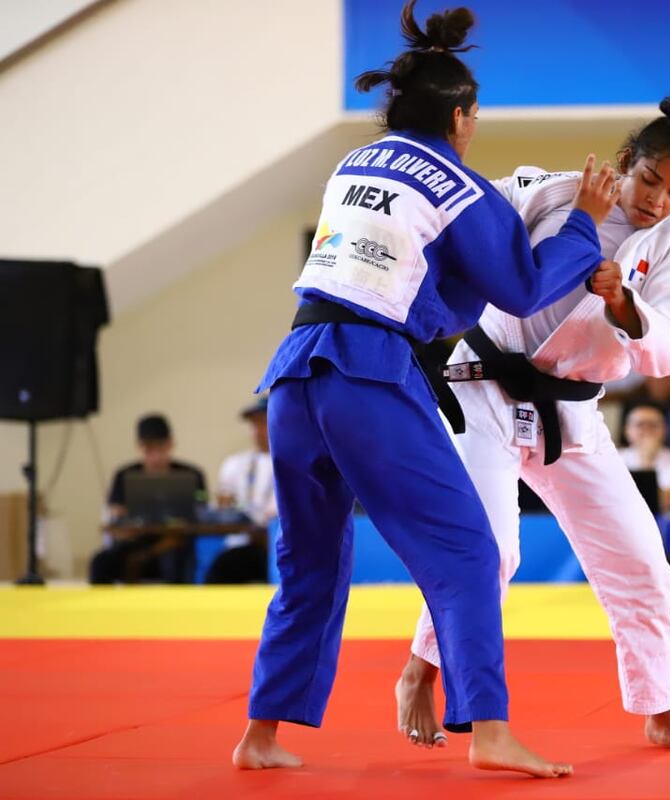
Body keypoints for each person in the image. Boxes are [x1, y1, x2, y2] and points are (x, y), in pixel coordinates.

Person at [232, 1, 620, 778]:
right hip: (365, 376)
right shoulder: (461, 184)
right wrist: (584, 221)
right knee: (468, 552)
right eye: (474, 115)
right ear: (461, 116)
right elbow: (518, 287)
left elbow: (413, 281)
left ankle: (260, 736)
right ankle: (490, 730)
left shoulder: (353, 167)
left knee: (308, 561)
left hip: (294, 371)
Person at [398, 91, 670, 757]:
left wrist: (624, 303)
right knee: (489, 550)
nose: (657, 201)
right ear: (626, 161)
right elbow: (459, 217)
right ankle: (420, 670)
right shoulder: (548, 193)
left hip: (571, 413)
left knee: (643, 564)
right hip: (484, 387)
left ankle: (659, 709)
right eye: (651, 180)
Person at [89, 414, 206, 584]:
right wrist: (123, 522)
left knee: (177, 560)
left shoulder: (193, 475)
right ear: (139, 447)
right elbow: (115, 514)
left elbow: (201, 509)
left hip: (176, 545)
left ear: (171, 445)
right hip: (137, 543)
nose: (156, 456)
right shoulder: (124, 476)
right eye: (149, 449)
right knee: (100, 562)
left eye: (161, 448)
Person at [205, 396, 275, 584]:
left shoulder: (297, 465)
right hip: (240, 543)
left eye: (264, 422)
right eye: (254, 424)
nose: (258, 431)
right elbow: (221, 508)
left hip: (274, 546)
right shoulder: (235, 464)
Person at [619, 401, 670, 512]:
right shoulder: (613, 458)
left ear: (665, 430)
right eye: (640, 424)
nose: (647, 430)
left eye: (653, 425)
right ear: (627, 430)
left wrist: (646, 460)